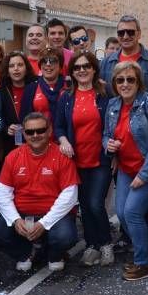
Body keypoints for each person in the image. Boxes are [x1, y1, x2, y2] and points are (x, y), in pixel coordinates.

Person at [0, 113, 79, 272]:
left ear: (49, 131)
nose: (35, 135)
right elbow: (2, 193)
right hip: (22, 214)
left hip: (53, 216)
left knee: (66, 236)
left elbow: (70, 194)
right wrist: (15, 220)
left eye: (40, 130)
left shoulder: (61, 156)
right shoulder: (13, 157)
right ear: (24, 134)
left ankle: (54, 255)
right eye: (30, 132)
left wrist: (44, 223)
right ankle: (25, 253)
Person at [103, 61, 148, 281]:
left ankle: (143, 263)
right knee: (122, 213)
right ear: (114, 83)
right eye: (120, 80)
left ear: (139, 82)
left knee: (132, 212)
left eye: (130, 79)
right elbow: (106, 134)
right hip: (126, 168)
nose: (125, 84)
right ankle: (146, 252)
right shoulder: (113, 104)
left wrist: (144, 174)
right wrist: (108, 145)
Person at [54, 51, 114, 267]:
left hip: (100, 159)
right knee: (85, 206)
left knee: (96, 203)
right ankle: (92, 245)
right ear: (72, 72)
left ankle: (105, 243)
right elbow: (58, 125)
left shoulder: (105, 93)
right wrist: (63, 140)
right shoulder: (67, 97)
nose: (82, 70)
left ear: (94, 69)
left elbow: (113, 124)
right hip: (75, 160)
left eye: (86, 66)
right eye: (77, 67)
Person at [99, 15, 148, 95]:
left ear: (139, 34)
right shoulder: (105, 63)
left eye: (130, 32)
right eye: (121, 33)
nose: (125, 36)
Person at [0, 50, 37, 159]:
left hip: (36, 140)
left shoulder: (37, 86)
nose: (16, 69)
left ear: (26, 68)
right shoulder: (1, 92)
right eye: (11, 66)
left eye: (20, 65)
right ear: (7, 70)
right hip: (11, 146)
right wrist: (6, 128)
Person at [30, 47, 66, 125]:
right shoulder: (31, 88)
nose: (48, 64)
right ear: (40, 65)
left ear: (60, 66)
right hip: (39, 134)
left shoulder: (69, 86)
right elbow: (25, 118)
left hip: (64, 135)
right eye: (44, 61)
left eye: (53, 61)